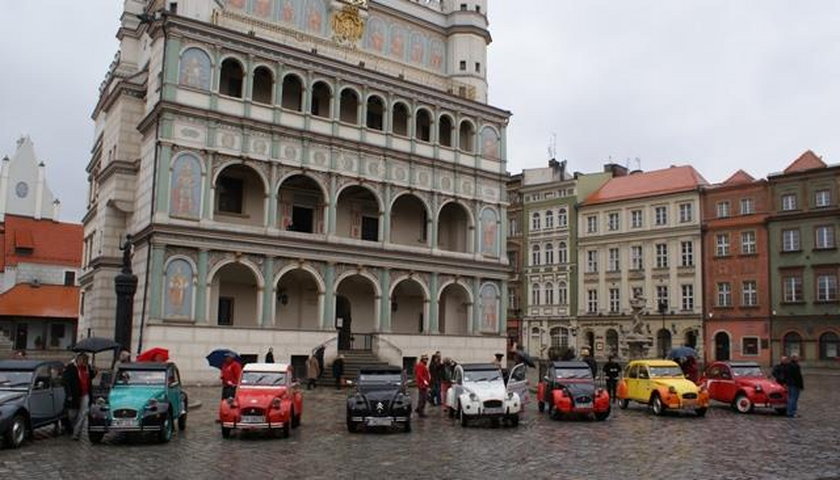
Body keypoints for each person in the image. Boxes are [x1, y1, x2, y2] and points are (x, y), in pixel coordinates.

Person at [62, 353, 95, 440]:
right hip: (74, 394)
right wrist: (69, 394)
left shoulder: (88, 368)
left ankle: (76, 433)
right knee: (72, 414)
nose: (83, 362)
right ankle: (72, 428)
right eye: (82, 360)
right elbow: (66, 381)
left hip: (85, 393)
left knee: (83, 413)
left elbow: (90, 378)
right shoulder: (71, 368)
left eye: (85, 360)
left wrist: (94, 372)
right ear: (78, 359)